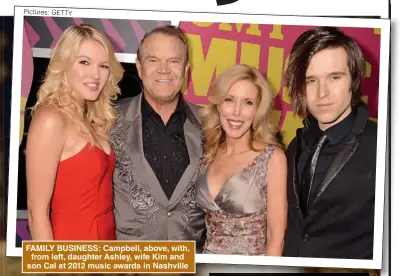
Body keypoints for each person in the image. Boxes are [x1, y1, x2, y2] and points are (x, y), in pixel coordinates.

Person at [282, 26, 377, 259]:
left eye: (334, 77)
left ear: (354, 79)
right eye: (311, 80)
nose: (322, 93)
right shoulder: (295, 145)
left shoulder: (384, 147)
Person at [109, 25, 206, 250]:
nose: (164, 70)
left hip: (190, 262)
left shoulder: (212, 123)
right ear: (140, 68)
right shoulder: (107, 119)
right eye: (153, 60)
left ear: (186, 69)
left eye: (173, 61)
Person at [25, 24, 124, 240]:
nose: (95, 74)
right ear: (64, 65)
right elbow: (36, 213)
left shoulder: (91, 120)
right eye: (84, 62)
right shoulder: (51, 119)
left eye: (103, 66)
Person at [195, 64, 287, 256]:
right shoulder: (207, 153)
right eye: (229, 100)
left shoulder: (272, 159)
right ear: (218, 104)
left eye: (248, 103)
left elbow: (275, 239)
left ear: (258, 110)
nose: (236, 112)